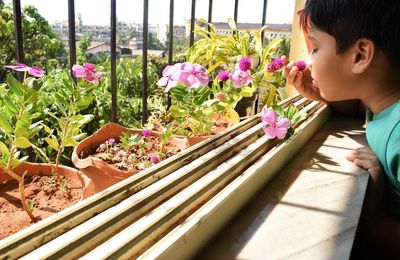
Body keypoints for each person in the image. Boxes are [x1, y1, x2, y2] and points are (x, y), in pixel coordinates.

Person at [282, 0, 400, 258]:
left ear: (359, 55)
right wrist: (321, 95)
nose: (307, 61)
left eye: (314, 48)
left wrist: (375, 220)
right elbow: (364, 110)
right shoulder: (383, 105)